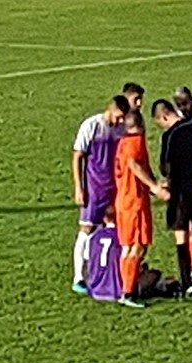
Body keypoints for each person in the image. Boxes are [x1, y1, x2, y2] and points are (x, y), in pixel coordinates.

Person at [152, 99, 192, 295]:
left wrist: (166, 181)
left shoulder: (170, 135)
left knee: (182, 235)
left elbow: (166, 166)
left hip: (180, 190)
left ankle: (187, 282)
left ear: (164, 117)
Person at [71, 96, 130, 294]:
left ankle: (107, 273)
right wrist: (79, 187)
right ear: (110, 110)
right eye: (119, 117)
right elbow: (78, 156)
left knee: (114, 229)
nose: (121, 121)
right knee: (87, 229)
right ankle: (79, 277)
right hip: (94, 189)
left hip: (114, 189)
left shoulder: (120, 129)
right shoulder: (91, 126)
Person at [114, 111, 170, 308]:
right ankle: (128, 292)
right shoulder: (136, 141)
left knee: (128, 247)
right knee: (138, 246)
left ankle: (125, 287)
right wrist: (154, 187)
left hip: (123, 201)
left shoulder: (122, 143)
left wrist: (154, 185)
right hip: (135, 202)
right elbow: (135, 165)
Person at [84, 206, 124, 301]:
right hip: (116, 289)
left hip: (95, 290)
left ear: (104, 219)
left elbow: (87, 259)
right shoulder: (121, 236)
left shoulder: (93, 237)